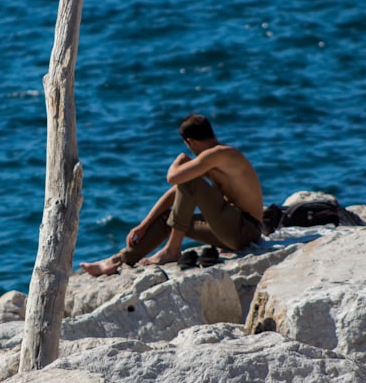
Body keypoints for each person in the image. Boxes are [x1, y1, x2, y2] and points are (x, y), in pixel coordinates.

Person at [80, 114, 264, 276]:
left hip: (246, 230)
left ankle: (172, 250)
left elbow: (173, 178)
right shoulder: (211, 160)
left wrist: (180, 160)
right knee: (169, 218)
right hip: (232, 232)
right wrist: (143, 225)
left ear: (190, 142)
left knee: (188, 180)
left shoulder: (220, 154)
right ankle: (118, 260)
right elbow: (176, 191)